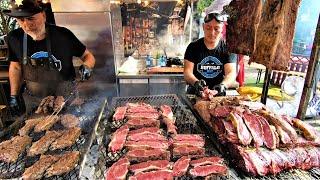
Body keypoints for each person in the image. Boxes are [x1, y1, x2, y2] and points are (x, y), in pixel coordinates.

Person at [4, 0, 96, 115]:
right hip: (34, 101)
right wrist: (14, 95)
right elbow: (15, 67)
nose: (26, 25)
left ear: (43, 15)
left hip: (66, 98)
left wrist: (87, 66)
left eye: (31, 18)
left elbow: (88, 55)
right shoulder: (14, 38)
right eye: (21, 20)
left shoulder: (63, 35)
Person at [184, 11, 237, 96]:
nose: (212, 33)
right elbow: (187, 72)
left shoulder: (228, 48)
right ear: (203, 27)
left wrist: (223, 85)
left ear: (222, 29)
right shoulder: (193, 47)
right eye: (208, 28)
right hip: (195, 93)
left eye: (216, 29)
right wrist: (196, 83)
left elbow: (231, 72)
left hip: (218, 94)